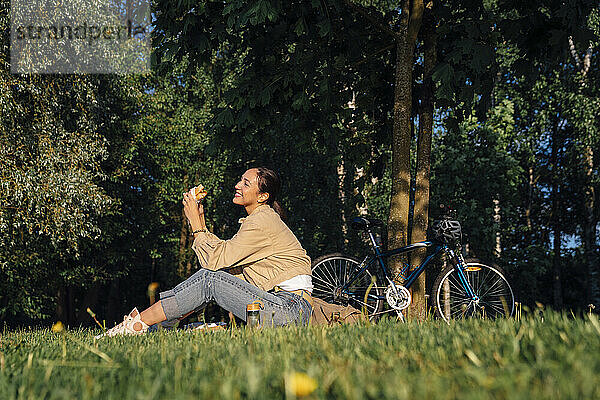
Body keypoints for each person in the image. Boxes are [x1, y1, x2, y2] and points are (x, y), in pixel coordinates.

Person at [96, 167, 313, 338]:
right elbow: (224, 265)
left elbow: (213, 264)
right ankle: (155, 325)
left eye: (246, 183)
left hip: (288, 309)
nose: (237, 185)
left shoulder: (262, 220)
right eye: (240, 179)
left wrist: (194, 222)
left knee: (210, 280)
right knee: (213, 279)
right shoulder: (261, 219)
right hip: (282, 308)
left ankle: (134, 326)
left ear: (263, 196)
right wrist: (200, 222)